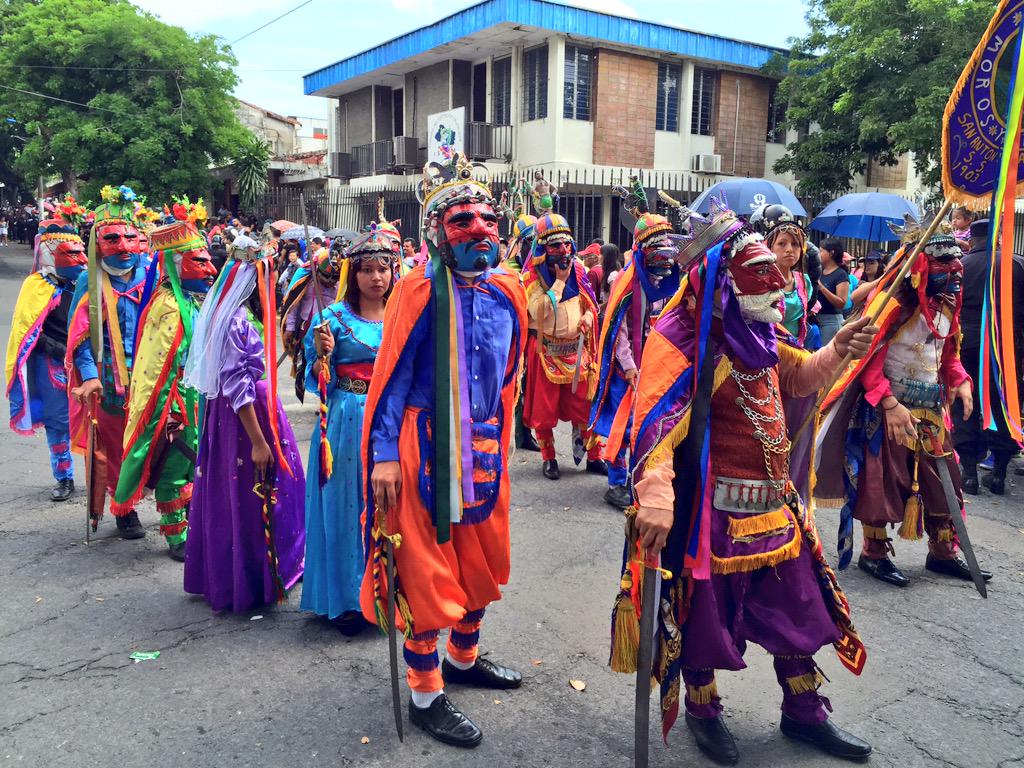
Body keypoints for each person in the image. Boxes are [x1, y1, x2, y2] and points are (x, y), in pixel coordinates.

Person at [619, 207, 874, 764]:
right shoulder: (681, 338)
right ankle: (703, 709)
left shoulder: (759, 330)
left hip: (776, 505)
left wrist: (839, 348)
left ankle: (804, 711)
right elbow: (653, 428)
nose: (778, 286)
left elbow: (800, 375)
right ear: (723, 282)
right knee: (705, 622)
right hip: (711, 516)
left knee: (798, 609)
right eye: (762, 277)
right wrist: (656, 495)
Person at [361, 154, 527, 748]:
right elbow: (393, 377)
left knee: (481, 561)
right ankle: (427, 693)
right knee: (426, 571)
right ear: (437, 232)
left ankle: (463, 658)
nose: (479, 230)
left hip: (485, 447)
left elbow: (510, 372)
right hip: (422, 446)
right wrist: (384, 454)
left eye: (487, 220)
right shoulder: (417, 289)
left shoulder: (509, 289)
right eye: (461, 221)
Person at [817, 231, 994, 588]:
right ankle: (874, 552)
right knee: (883, 481)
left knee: (944, 481)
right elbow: (867, 361)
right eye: (944, 267)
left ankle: (942, 551)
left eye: (956, 267)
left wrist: (960, 381)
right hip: (889, 410)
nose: (953, 275)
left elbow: (948, 354)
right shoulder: (892, 304)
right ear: (921, 267)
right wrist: (889, 402)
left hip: (931, 408)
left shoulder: (947, 307)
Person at [182, 235, 305, 613]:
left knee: (238, 496)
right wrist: (259, 441)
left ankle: (253, 571)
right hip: (246, 419)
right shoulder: (236, 320)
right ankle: (253, 578)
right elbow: (237, 386)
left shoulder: (227, 313)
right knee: (257, 493)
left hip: (235, 415)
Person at [301, 221, 399, 634]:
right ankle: (346, 600)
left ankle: (391, 593)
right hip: (346, 420)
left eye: (383, 268)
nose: (377, 277)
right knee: (347, 507)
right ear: (353, 274)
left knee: (390, 508)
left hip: (392, 420)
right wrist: (320, 355)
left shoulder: (402, 314)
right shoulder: (333, 319)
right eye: (367, 270)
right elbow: (314, 380)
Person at [110, 203, 215, 561]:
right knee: (174, 464)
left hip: (200, 395)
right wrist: (167, 408)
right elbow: (158, 368)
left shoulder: (197, 301)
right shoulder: (169, 306)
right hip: (177, 398)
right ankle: (176, 535)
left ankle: (191, 524)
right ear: (177, 265)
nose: (210, 269)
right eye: (200, 262)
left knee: (194, 463)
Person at [66, 185, 150, 536]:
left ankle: (172, 504)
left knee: (155, 439)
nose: (124, 247)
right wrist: (88, 375)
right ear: (97, 242)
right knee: (114, 447)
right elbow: (79, 336)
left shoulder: (152, 273)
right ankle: (124, 507)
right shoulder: (89, 280)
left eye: (130, 238)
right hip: (109, 380)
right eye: (113, 238)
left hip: (149, 375)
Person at [589, 203, 682, 511]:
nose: (664, 252)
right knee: (625, 426)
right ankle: (616, 483)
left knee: (647, 424)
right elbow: (619, 331)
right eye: (657, 245)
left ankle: (635, 478)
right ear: (642, 249)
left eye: (667, 244)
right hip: (626, 369)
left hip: (653, 364)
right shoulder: (625, 281)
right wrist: (629, 366)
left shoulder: (661, 281)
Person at [6, 200, 87, 502]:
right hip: (52, 362)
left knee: (98, 419)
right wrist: (60, 349)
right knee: (58, 421)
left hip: (87, 360)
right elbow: (28, 332)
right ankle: (63, 476)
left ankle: (101, 476)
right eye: (71, 254)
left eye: (81, 252)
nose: (80, 260)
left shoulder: (88, 284)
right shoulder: (36, 286)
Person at [522, 214, 603, 480]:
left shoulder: (579, 270)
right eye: (556, 245)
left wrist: (588, 317)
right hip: (546, 352)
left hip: (577, 351)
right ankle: (549, 458)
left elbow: (590, 303)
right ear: (543, 248)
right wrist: (559, 282)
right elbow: (538, 311)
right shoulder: (532, 276)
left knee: (585, 406)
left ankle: (594, 456)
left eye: (567, 244)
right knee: (544, 411)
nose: (564, 250)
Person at [952, 218, 1024, 495]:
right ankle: (999, 474)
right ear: (998, 237)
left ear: (971, 240)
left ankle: (969, 472)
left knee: (964, 402)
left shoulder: (961, 266)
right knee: (1002, 403)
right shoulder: (1015, 264)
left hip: (966, 342)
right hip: (1005, 345)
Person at [816, 239, 849, 345]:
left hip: (831, 322)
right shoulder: (819, 271)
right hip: (817, 320)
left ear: (831, 253)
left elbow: (841, 303)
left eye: (821, 251)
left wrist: (822, 288)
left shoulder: (841, 274)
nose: (818, 254)